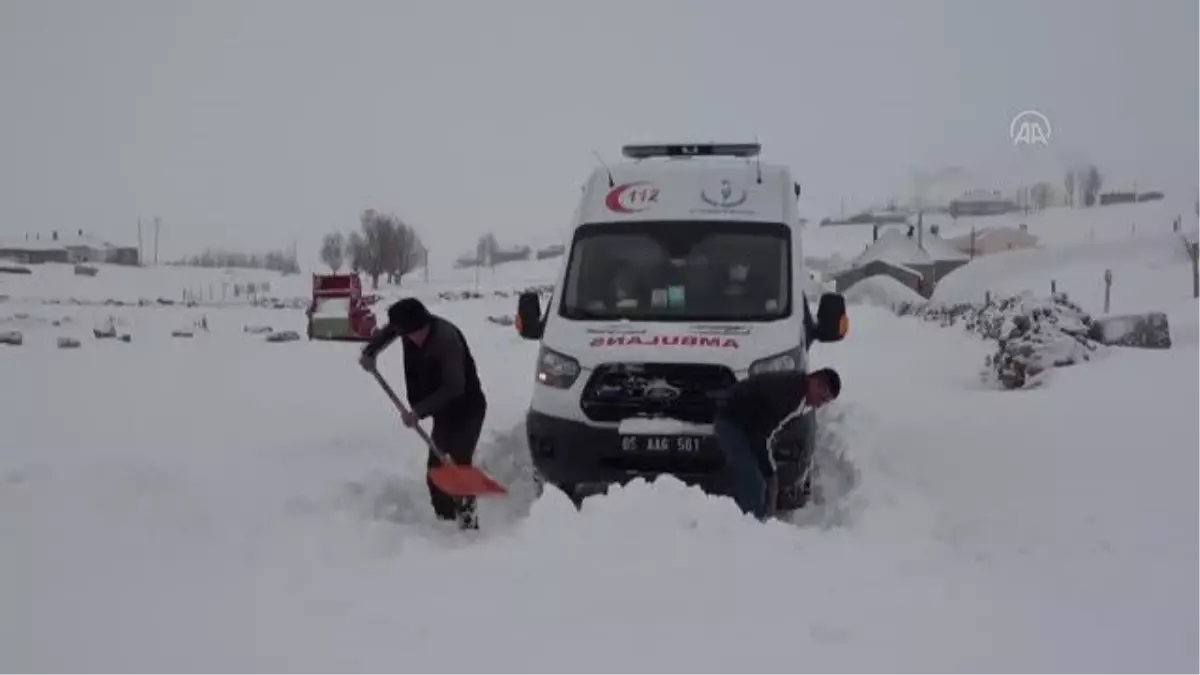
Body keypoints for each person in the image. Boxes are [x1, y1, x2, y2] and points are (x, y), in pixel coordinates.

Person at [359, 298, 487, 530]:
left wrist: (418, 411)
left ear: (422, 325)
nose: (406, 339)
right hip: (442, 412)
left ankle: (468, 528)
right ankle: (445, 524)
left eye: (409, 334)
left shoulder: (446, 340)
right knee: (436, 472)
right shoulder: (409, 328)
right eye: (403, 334)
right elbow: (390, 331)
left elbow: (455, 385)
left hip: (467, 409)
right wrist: (370, 351)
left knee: (457, 465)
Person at [712, 368, 842, 520]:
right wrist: (771, 472)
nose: (819, 405)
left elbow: (764, 431)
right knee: (754, 481)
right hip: (731, 422)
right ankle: (754, 527)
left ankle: (751, 521)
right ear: (817, 384)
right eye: (822, 398)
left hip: (744, 426)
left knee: (756, 478)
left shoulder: (796, 387)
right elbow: (762, 436)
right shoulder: (791, 394)